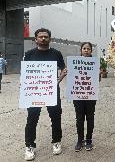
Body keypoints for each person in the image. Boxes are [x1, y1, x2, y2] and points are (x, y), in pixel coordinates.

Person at [23, 28, 67, 161]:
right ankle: (29, 146)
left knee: (56, 117)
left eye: (46, 37)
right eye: (40, 37)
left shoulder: (56, 54)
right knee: (32, 119)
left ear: (50, 39)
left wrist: (58, 80)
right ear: (35, 39)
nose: (43, 39)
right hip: (34, 93)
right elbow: (25, 74)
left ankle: (56, 141)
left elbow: (63, 69)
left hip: (51, 91)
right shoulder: (29, 54)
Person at [73, 42, 99, 152]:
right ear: (81, 50)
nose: (86, 50)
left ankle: (88, 140)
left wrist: (98, 74)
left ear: (91, 51)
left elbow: (97, 80)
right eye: (84, 48)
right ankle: (80, 140)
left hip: (90, 95)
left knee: (90, 118)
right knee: (79, 119)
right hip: (78, 95)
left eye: (88, 49)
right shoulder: (74, 63)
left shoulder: (95, 63)